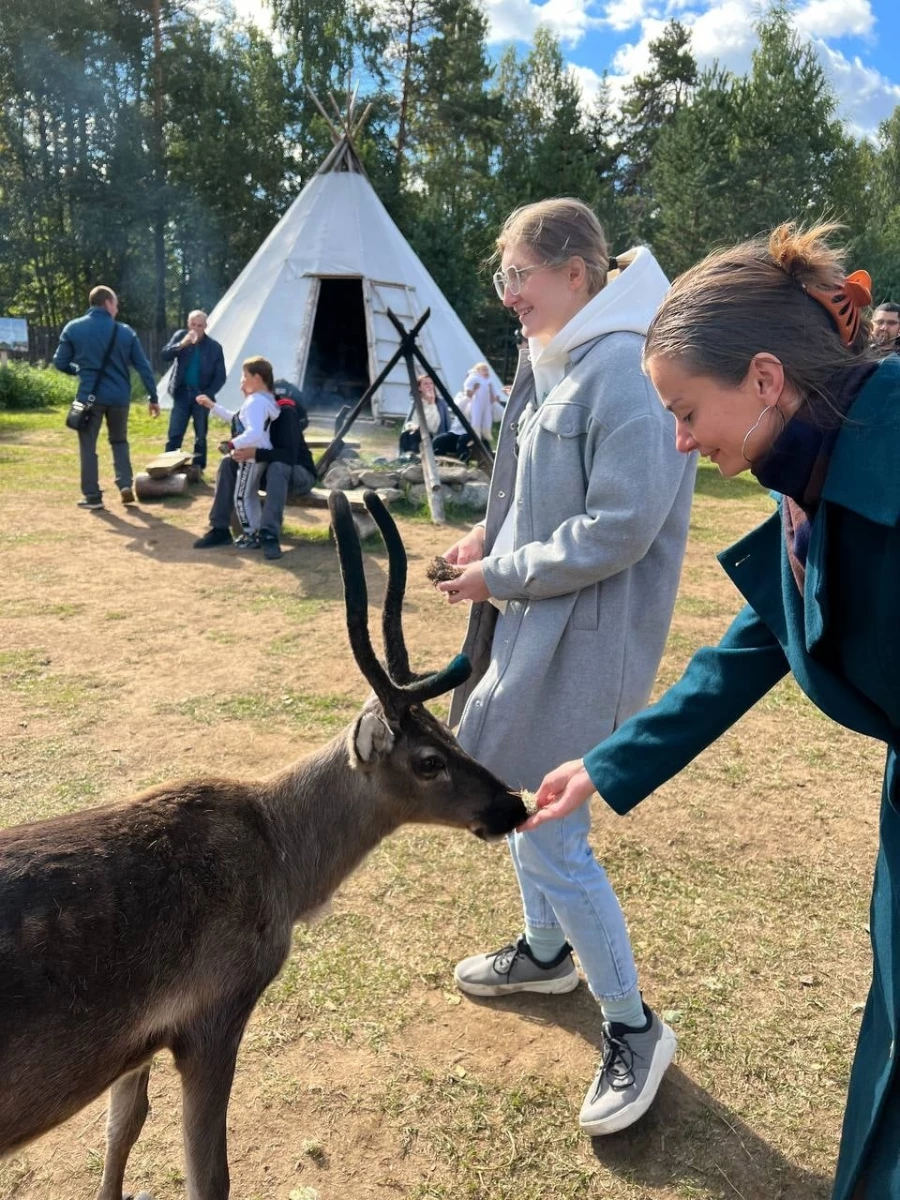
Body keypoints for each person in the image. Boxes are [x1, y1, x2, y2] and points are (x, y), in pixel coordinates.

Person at [525, 223, 900, 1199]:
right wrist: (607, 763)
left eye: (687, 413)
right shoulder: (821, 462)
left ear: (766, 378)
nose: (681, 442)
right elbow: (760, 640)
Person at [435, 198, 696, 1135]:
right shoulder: (551, 356)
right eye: (503, 276)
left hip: (587, 642)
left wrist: (498, 573)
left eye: (519, 275)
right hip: (531, 626)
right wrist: (479, 543)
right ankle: (547, 955)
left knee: (550, 829)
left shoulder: (624, 370)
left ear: (576, 272)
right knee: (512, 792)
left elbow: (620, 528)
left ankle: (634, 1022)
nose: (508, 294)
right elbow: (524, 494)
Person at [52, 285, 159, 509]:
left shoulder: (73, 328)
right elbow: (143, 366)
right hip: (120, 397)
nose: (117, 309)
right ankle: (124, 484)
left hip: (89, 396)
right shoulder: (126, 332)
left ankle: (93, 496)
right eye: (116, 304)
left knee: (88, 446)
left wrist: (80, 371)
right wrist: (153, 396)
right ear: (107, 303)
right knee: (119, 441)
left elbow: (60, 362)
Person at [196, 357, 279, 548]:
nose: (241, 381)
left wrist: (232, 444)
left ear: (256, 378)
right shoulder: (264, 400)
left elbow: (254, 432)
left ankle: (251, 535)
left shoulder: (256, 402)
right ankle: (256, 532)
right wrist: (212, 406)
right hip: (258, 454)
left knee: (242, 497)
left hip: (250, 456)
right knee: (248, 495)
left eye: (245, 376)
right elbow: (237, 419)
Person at [160, 310, 226, 470]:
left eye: (200, 325)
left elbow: (220, 376)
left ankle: (198, 468)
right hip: (182, 392)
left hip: (201, 394)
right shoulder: (181, 337)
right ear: (188, 324)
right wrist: (182, 344)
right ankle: (169, 466)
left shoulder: (214, 347)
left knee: (201, 435)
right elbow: (165, 355)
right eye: (193, 325)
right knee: (175, 432)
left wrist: (208, 394)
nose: (196, 328)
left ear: (205, 326)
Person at [398, 375, 450, 455]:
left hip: (433, 437)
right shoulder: (416, 403)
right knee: (406, 434)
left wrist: (431, 403)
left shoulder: (440, 404)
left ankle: (413, 456)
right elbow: (410, 421)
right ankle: (406, 457)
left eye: (431, 383)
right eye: (425, 384)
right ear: (419, 388)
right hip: (415, 433)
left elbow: (434, 428)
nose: (429, 386)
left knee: (416, 435)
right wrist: (411, 426)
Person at [433, 391, 474, 462]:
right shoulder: (461, 395)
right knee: (438, 441)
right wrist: (467, 397)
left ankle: (464, 462)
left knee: (462, 442)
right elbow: (456, 409)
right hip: (456, 432)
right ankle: (439, 461)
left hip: (473, 432)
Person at [463, 362, 497, 447]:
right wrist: (470, 389)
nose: (486, 371)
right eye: (483, 369)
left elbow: (493, 390)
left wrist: (494, 396)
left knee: (487, 418)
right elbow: (468, 384)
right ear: (478, 370)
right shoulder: (475, 378)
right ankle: (475, 434)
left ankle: (486, 432)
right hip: (477, 402)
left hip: (486, 403)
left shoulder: (488, 380)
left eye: (486, 370)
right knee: (476, 418)